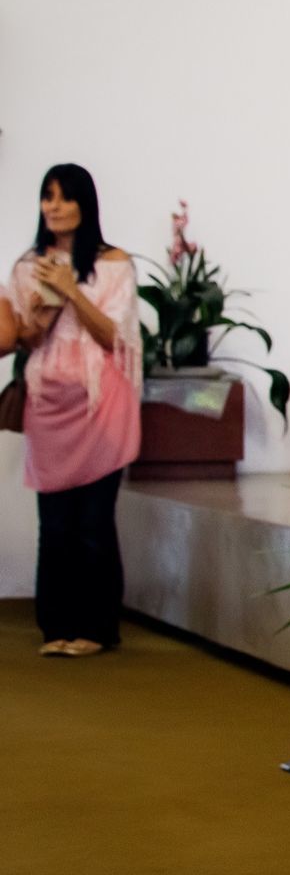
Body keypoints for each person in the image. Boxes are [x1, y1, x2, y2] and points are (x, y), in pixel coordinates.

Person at [8, 165, 142, 658]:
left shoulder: (114, 263)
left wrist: (69, 289)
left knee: (93, 520)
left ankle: (97, 627)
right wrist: (42, 309)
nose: (54, 207)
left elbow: (115, 337)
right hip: (49, 402)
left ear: (86, 203)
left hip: (101, 403)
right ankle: (55, 626)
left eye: (64, 197)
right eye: (47, 197)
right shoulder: (28, 265)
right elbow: (24, 338)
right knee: (55, 521)